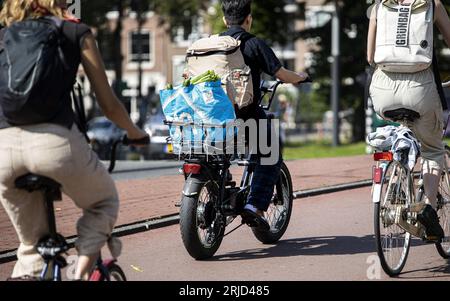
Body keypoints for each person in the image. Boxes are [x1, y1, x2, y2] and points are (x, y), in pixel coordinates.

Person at [0, 0, 148, 280]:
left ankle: (31, 268)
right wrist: (135, 133)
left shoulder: (4, 35)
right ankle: (80, 274)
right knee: (103, 202)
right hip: (55, 144)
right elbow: (109, 105)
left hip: (4, 151)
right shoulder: (74, 32)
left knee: (31, 246)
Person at [220, 0, 309, 229]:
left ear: (224, 19)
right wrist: (299, 77)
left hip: (210, 119)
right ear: (248, 18)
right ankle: (255, 206)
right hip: (245, 118)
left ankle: (217, 186)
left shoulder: (209, 46)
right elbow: (281, 74)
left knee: (216, 156)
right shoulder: (253, 44)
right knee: (271, 150)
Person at [367, 0, 450, 240]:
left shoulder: (379, 6)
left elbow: (370, 56)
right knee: (433, 149)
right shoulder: (433, 4)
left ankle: (395, 178)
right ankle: (428, 207)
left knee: (400, 126)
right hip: (420, 85)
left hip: (383, 88)